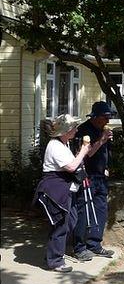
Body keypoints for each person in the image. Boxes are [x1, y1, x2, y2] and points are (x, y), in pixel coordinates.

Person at [34, 114, 91, 272]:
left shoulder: (64, 144)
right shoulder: (55, 146)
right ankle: (56, 261)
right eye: (73, 127)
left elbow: (74, 165)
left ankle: (52, 254)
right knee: (61, 225)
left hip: (63, 188)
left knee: (70, 221)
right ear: (65, 131)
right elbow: (71, 167)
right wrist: (84, 151)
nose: (76, 130)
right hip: (55, 189)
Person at [73, 102, 115, 261]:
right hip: (87, 176)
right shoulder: (84, 130)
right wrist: (102, 140)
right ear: (96, 117)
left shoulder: (102, 130)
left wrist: (107, 166)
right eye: (105, 117)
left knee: (101, 210)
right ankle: (80, 248)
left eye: (109, 118)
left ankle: (95, 245)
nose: (107, 121)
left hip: (101, 177)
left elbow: (105, 152)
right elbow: (87, 154)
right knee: (84, 211)